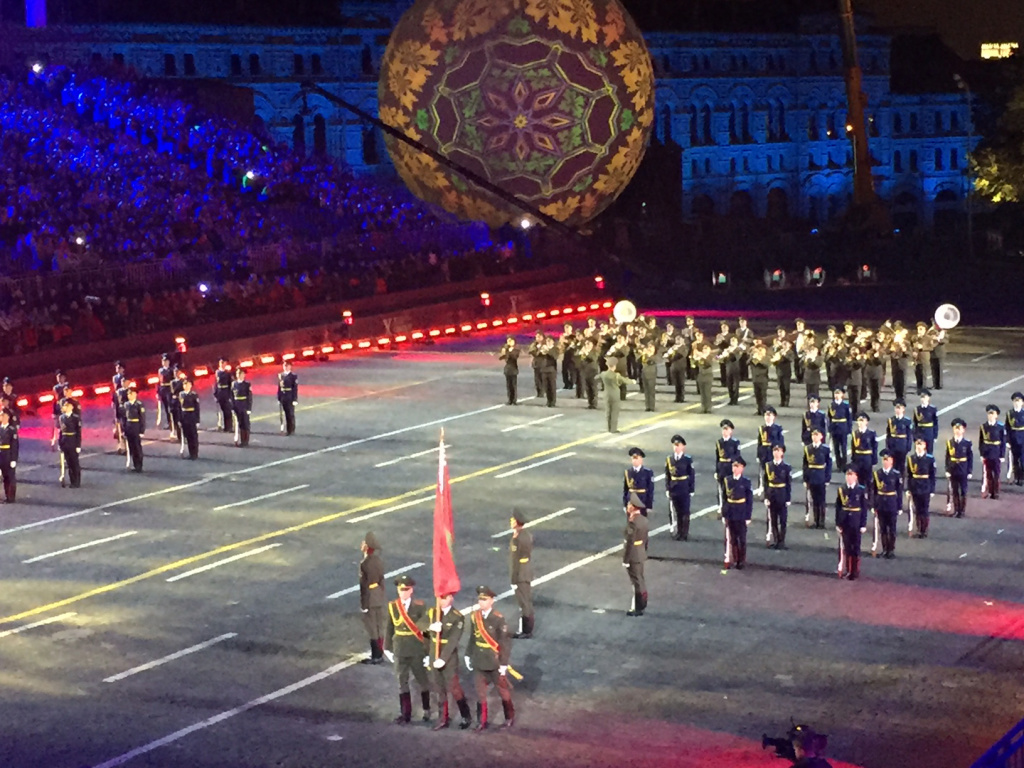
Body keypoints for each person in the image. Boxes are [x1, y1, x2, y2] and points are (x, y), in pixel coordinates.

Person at [464, 585, 514, 730]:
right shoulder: (475, 616)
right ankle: (482, 721)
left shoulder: (498, 619)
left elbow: (504, 643)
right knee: (480, 693)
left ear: (492, 601)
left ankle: (509, 717)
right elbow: (472, 638)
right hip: (479, 660)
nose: (481, 602)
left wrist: (503, 664)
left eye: (485, 599)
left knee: (502, 691)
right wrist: (468, 654)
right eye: (480, 599)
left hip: (494, 661)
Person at [384, 574, 431, 724]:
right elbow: (389, 627)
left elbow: (426, 630)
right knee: (401, 681)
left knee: (422, 680)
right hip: (399, 648)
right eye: (401, 590)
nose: (403, 592)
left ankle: (426, 710)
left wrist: (428, 651)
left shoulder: (419, 606)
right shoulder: (392, 606)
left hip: (416, 648)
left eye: (406, 589)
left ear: (411, 590)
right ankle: (406, 713)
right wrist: (387, 647)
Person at [425, 592, 472, 730]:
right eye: (440, 598)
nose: (441, 601)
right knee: (439, 688)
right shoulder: (433, 612)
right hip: (434, 654)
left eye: (444, 598)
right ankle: (443, 718)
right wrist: (430, 627)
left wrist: (442, 659)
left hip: (448, 658)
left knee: (454, 688)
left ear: (451, 598)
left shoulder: (457, 617)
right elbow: (420, 625)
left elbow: (453, 641)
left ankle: (465, 715)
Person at [358, 531, 387, 665]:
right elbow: (382, 580)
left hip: (370, 596)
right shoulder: (379, 561)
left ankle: (376, 655)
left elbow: (363, 585)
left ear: (367, 547)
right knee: (379, 625)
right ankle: (380, 653)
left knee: (372, 628)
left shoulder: (365, 563)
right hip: (378, 595)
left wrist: (363, 605)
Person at [835, 467, 868, 580]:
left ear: (856, 477)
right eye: (847, 475)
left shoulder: (861, 490)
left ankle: (855, 570)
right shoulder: (841, 489)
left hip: (856, 521)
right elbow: (838, 507)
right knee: (847, 547)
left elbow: (864, 508)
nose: (849, 478)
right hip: (845, 521)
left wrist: (863, 524)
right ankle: (848, 570)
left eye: (851, 475)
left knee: (856, 547)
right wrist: (838, 523)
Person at [722, 457, 753, 570]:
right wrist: (724, 513)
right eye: (734, 466)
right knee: (733, 538)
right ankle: (736, 559)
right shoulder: (727, 480)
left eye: (737, 466)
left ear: (742, 468)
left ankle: (742, 560)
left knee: (742, 538)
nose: (735, 469)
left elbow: (749, 500)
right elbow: (724, 498)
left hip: (741, 512)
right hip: (731, 511)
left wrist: (748, 516)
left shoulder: (746, 482)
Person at [871, 449, 902, 559]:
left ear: (891, 461)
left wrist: (899, 506)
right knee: (883, 528)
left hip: (892, 503)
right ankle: (884, 549)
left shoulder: (896, 474)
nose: (885, 462)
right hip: (881, 504)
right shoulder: (877, 474)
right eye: (884, 460)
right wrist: (873, 505)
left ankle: (891, 549)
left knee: (892, 529)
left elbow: (899, 491)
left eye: (887, 459)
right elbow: (873, 491)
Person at [509, 509, 534, 639]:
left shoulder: (517, 538)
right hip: (526, 572)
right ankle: (526, 628)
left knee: (523, 603)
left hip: (520, 575)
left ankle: (526, 630)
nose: (510, 522)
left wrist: (513, 580)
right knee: (526, 601)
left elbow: (515, 561)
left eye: (513, 520)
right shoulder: (527, 535)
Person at [665, 434, 695, 541]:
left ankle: (684, 533)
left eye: (678, 445)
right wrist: (668, 488)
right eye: (675, 445)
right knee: (678, 511)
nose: (676, 447)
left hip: (684, 487)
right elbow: (667, 475)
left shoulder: (687, 459)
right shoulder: (669, 459)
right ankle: (679, 531)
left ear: (683, 447)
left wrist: (691, 489)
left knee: (685, 511)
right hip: (674, 487)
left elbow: (691, 474)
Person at [623, 494, 649, 615]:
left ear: (633, 507)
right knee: (640, 579)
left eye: (629, 505)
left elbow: (629, 542)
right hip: (641, 552)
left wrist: (625, 560)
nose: (627, 506)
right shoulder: (644, 520)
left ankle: (637, 607)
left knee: (636, 581)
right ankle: (642, 603)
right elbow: (646, 539)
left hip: (633, 554)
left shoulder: (633, 522)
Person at [803, 427, 833, 529]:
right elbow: (805, 465)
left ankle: (822, 521)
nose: (814, 437)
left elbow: (828, 465)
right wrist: (805, 478)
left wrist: (827, 478)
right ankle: (816, 520)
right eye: (813, 435)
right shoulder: (808, 449)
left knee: (822, 500)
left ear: (821, 436)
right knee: (814, 500)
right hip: (811, 476)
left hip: (821, 475)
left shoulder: (825, 449)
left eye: (817, 435)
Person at [764, 443, 792, 549]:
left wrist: (788, 498)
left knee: (783, 520)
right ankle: (776, 540)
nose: (776, 453)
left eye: (778, 450)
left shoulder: (786, 467)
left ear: (782, 453)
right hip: (772, 494)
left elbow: (788, 484)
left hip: (782, 494)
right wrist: (766, 496)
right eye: (775, 450)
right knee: (773, 519)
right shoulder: (768, 466)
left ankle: (782, 541)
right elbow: (766, 482)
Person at [906, 437, 936, 538]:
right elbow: (909, 475)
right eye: (917, 445)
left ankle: (924, 529)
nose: (919, 447)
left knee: (925, 509)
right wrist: (909, 488)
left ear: (924, 446)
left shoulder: (929, 459)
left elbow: (932, 475)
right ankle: (919, 529)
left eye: (921, 444)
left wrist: (932, 489)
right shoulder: (911, 459)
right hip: (915, 486)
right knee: (918, 509)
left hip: (925, 485)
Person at [945, 418, 973, 518]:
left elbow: (970, 458)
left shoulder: (967, 443)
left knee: (963, 491)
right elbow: (947, 457)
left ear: (963, 430)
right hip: (953, 469)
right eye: (955, 428)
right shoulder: (950, 442)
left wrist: (969, 471)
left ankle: (962, 510)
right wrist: (947, 469)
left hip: (963, 468)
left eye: (959, 428)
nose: (957, 430)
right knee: (955, 490)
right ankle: (956, 510)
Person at [715, 420, 742, 519]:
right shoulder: (719, 442)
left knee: (731, 488)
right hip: (722, 467)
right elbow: (717, 457)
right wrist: (716, 470)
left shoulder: (735, 442)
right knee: (721, 489)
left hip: (730, 466)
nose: (725, 431)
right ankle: (721, 507)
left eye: (727, 429)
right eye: (723, 429)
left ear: (731, 431)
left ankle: (731, 507)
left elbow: (737, 456)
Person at [979, 405, 1006, 500]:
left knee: (997, 473)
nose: (990, 416)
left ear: (996, 415)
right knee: (988, 473)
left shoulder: (1000, 427)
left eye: (992, 414)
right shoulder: (983, 427)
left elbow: (1003, 441)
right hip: (987, 452)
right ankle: (990, 491)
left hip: (996, 451)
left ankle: (996, 491)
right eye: (989, 414)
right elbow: (981, 441)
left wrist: (1002, 454)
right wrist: (981, 454)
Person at [756, 407, 784, 496]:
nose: (767, 417)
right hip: (764, 452)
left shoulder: (778, 428)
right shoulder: (761, 428)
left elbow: (780, 441)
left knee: (773, 472)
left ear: (774, 417)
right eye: (766, 415)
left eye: (769, 415)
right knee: (763, 471)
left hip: (773, 452)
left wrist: (779, 452)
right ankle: (762, 487)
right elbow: (759, 442)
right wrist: (758, 454)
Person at [596, 365, 630, 433]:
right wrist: (633, 381)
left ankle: (608, 428)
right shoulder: (616, 375)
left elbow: (596, 378)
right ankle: (613, 429)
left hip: (607, 394)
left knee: (608, 411)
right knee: (614, 412)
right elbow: (625, 381)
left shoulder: (603, 374)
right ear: (614, 367)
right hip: (615, 394)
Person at [885, 398, 913, 479]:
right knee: (893, 465)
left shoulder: (907, 421)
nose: (897, 410)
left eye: (899, 408)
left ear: (903, 409)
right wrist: (888, 445)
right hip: (893, 446)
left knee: (901, 465)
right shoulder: (891, 420)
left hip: (902, 446)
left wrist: (908, 447)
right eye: (896, 408)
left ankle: (901, 481)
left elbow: (909, 435)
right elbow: (888, 434)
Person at [57, 398, 82, 489]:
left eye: (66, 405)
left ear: (71, 407)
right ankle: (72, 481)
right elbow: (60, 431)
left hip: (72, 440)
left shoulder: (75, 418)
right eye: (64, 406)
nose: (64, 407)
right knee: (68, 463)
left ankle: (77, 481)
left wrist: (78, 445)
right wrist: (60, 443)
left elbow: (78, 432)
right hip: (65, 440)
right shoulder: (62, 417)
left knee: (74, 462)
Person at [623, 447, 654, 516]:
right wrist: (625, 504)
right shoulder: (628, 472)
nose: (634, 460)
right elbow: (625, 489)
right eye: (633, 458)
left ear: (641, 459)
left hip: (642, 501)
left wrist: (649, 505)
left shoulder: (647, 472)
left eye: (636, 458)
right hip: (631, 503)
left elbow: (650, 490)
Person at [850, 413, 878, 489]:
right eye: (859, 421)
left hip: (867, 458)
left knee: (868, 479)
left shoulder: (871, 433)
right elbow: (853, 447)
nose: (860, 423)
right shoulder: (855, 433)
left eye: (862, 421)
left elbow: (874, 447)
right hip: (858, 458)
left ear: (866, 422)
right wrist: (853, 459)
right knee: (859, 479)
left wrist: (874, 460)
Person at [122, 387, 146, 472]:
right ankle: (135, 465)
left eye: (131, 393)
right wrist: (124, 430)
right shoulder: (126, 405)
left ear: (135, 394)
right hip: (129, 427)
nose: (129, 395)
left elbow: (142, 418)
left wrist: (142, 430)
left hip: (136, 426)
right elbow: (124, 418)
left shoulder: (139, 404)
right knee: (131, 447)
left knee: (137, 447)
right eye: (128, 394)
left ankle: (139, 465)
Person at [827, 387, 851, 471]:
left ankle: (844, 464)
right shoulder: (831, 405)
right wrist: (829, 428)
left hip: (843, 427)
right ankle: (838, 464)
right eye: (835, 393)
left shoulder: (845, 405)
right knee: (836, 447)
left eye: (838, 393)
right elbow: (829, 417)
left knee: (843, 447)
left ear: (842, 395)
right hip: (834, 428)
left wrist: (849, 429)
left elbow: (849, 417)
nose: (836, 395)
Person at [691, 331, 715, 413]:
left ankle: (708, 408)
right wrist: (694, 358)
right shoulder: (701, 357)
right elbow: (695, 365)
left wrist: (701, 356)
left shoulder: (710, 356)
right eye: (704, 349)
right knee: (702, 393)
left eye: (706, 349)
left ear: (709, 350)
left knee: (707, 393)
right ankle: (703, 407)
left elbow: (708, 364)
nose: (704, 350)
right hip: (701, 375)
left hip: (708, 376)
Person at [178, 378, 201, 460]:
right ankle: (191, 453)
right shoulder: (181, 394)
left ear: (191, 386)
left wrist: (197, 420)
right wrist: (179, 419)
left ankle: (195, 453)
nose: (186, 386)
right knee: (187, 435)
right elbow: (179, 408)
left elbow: (197, 408)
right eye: (185, 384)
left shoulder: (194, 395)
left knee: (193, 435)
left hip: (192, 416)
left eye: (188, 384)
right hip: (184, 416)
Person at [231, 367, 253, 447]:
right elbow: (232, 396)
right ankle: (241, 440)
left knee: (245, 424)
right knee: (240, 424)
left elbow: (249, 397)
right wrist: (232, 407)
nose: (239, 375)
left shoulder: (247, 384)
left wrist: (249, 408)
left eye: (241, 374)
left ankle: (245, 440)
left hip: (244, 405)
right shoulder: (234, 384)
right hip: (237, 405)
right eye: (238, 374)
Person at [0, 407, 18, 503]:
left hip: (8, 454)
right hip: (0, 454)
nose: (1, 417)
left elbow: (14, 445)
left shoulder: (11, 430)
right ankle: (6, 495)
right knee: (3, 476)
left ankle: (11, 497)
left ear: (7, 417)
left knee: (10, 476)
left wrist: (13, 459)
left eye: (3, 415)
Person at [913, 389, 939, 455]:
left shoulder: (932, 409)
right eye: (921, 397)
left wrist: (935, 435)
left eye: (924, 397)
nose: (922, 399)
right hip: (919, 433)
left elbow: (935, 423)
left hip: (929, 433)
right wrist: (914, 435)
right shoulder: (917, 409)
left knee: (929, 451)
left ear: (928, 398)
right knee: (919, 452)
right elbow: (915, 423)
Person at [277, 360, 298, 435]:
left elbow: (295, 388)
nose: (285, 367)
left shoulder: (293, 376)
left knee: (290, 413)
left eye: (287, 366)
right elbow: (279, 387)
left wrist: (295, 399)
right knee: (285, 413)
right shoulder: (281, 375)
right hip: (283, 396)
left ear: (290, 366)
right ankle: (287, 429)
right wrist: (279, 397)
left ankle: (291, 429)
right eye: (284, 366)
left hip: (290, 395)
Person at [213, 357, 234, 432]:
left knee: (228, 410)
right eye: (220, 363)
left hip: (226, 392)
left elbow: (230, 384)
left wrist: (230, 395)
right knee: (222, 410)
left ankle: (229, 427)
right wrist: (215, 393)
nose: (222, 364)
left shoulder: (228, 373)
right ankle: (224, 426)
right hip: (220, 392)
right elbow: (215, 383)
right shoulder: (217, 372)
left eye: (223, 363)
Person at [749, 342, 770, 415]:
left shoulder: (766, 358)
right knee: (757, 395)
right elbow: (747, 363)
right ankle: (759, 409)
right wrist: (752, 356)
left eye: (762, 350)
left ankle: (764, 410)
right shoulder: (754, 358)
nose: (760, 351)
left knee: (763, 395)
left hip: (763, 379)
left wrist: (759, 359)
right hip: (755, 379)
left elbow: (766, 365)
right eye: (759, 350)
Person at [1007, 392, 1024, 486]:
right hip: (1014, 439)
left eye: (1019, 401)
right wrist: (1007, 440)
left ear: (1022, 403)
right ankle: (1017, 477)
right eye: (1015, 401)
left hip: (1023, 439)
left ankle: (1022, 477)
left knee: (1023, 459)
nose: (1017, 403)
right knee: (1015, 460)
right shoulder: (1010, 414)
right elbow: (1008, 428)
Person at [50, 370, 70, 448]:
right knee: (58, 427)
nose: (59, 379)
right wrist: (54, 412)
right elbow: (56, 399)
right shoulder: (56, 387)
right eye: (58, 377)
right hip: (59, 409)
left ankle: (67, 441)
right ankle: (57, 442)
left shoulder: (67, 385)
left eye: (61, 377)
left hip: (67, 408)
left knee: (67, 426)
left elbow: (68, 395)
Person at [499, 336, 520, 406]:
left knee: (513, 385)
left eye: (511, 341)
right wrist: (503, 353)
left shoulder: (516, 349)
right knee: (508, 385)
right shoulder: (506, 349)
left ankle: (514, 400)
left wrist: (509, 352)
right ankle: (509, 399)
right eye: (508, 341)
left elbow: (514, 357)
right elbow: (501, 358)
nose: (509, 342)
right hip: (507, 369)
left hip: (513, 368)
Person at [157, 352, 175, 431]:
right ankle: (169, 422)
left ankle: (174, 421)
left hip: (169, 389)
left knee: (171, 407)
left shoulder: (172, 370)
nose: (164, 362)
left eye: (166, 361)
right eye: (163, 361)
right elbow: (159, 381)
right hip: (162, 389)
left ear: (168, 362)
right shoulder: (160, 370)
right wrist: (158, 392)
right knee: (166, 408)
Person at [640, 343, 659, 412]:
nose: (649, 349)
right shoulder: (644, 355)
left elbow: (650, 362)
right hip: (644, 373)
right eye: (649, 347)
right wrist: (643, 354)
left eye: (651, 347)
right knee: (646, 391)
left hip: (651, 375)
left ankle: (652, 406)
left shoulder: (654, 357)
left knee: (651, 391)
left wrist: (647, 355)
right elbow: (638, 360)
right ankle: (647, 406)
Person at [527, 331, 545, 398]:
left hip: (544, 363)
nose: (538, 338)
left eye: (539, 336)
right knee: (537, 379)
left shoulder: (545, 344)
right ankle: (539, 392)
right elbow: (531, 352)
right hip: (536, 364)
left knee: (543, 378)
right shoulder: (534, 344)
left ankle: (543, 391)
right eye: (537, 337)